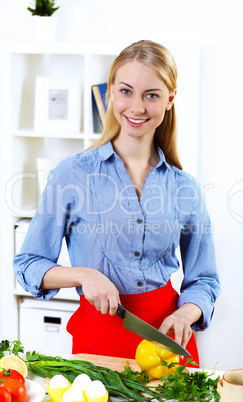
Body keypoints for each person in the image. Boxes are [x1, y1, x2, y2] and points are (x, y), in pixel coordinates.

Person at [14, 40, 220, 366]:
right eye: (126, 91)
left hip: (166, 343)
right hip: (97, 341)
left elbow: (205, 280)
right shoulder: (71, 175)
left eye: (151, 94)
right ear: (110, 92)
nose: (136, 107)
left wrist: (185, 314)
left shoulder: (186, 189)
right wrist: (82, 275)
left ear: (170, 100)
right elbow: (27, 265)